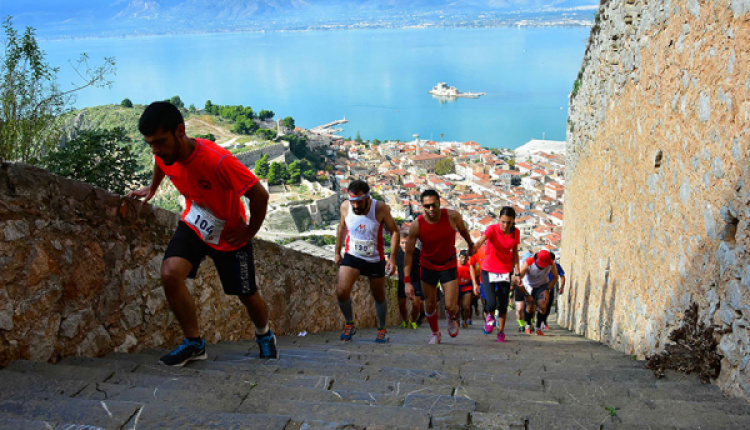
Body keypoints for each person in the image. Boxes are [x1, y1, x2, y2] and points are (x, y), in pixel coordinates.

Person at [127, 101, 277, 366]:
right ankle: (194, 343)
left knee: (247, 294)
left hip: (230, 234)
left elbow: (259, 195)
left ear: (180, 131)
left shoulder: (217, 161)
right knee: (169, 274)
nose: (156, 150)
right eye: (150, 143)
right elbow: (161, 163)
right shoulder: (164, 154)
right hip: (196, 225)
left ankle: (265, 335)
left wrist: (249, 231)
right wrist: (152, 188)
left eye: (160, 141)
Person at [404, 189, 474, 344]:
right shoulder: (417, 225)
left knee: (450, 305)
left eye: (434, 205)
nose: (431, 209)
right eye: (427, 206)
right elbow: (408, 253)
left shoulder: (452, 216)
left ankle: (451, 315)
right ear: (422, 206)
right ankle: (435, 333)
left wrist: (470, 245)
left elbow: (463, 231)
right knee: (429, 303)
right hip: (428, 266)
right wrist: (407, 281)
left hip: (448, 264)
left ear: (439, 203)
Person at [334, 179, 400, 343]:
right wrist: (337, 252)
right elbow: (342, 229)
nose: (356, 206)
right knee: (342, 292)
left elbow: (395, 232)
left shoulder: (380, 208)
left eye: (359, 202)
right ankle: (349, 323)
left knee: (379, 296)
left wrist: (392, 258)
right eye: (353, 202)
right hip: (353, 255)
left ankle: (382, 329)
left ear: (368, 197)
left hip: (374, 258)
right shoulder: (345, 207)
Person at [472, 206, 520, 343]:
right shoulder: (492, 229)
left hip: (505, 271)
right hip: (488, 270)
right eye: (503, 222)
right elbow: (481, 241)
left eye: (509, 222)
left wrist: (517, 272)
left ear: (513, 222)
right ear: (499, 219)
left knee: (503, 305)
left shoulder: (516, 233)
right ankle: (490, 317)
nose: (505, 225)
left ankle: (501, 331)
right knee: (491, 302)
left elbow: (515, 253)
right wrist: (473, 249)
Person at [517, 249, 559, 336]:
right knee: (530, 307)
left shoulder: (551, 264)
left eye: (544, 266)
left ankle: (538, 328)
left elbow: (555, 277)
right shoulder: (529, 262)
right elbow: (519, 277)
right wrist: (524, 292)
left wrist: (548, 289)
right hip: (529, 285)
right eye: (540, 266)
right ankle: (528, 325)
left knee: (543, 305)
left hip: (542, 285)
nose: (542, 268)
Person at [395, 232, 423, 329]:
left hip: (415, 280)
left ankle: (413, 321)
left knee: (416, 303)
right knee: (402, 303)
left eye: (407, 243)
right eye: (402, 243)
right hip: (402, 281)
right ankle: (405, 320)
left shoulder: (417, 252)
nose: (405, 245)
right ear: (399, 243)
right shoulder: (396, 252)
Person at [540, 252, 565, 330]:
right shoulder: (542, 266)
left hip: (551, 289)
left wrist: (561, 287)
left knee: (549, 306)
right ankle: (540, 322)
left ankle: (544, 321)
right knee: (542, 305)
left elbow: (562, 276)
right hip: (541, 288)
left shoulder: (557, 266)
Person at [515, 249, 535, 332]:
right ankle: (521, 324)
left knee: (531, 308)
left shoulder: (534, 268)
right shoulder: (518, 268)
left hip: (531, 288)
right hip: (520, 287)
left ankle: (530, 323)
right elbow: (514, 278)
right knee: (519, 309)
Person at [456, 250, 473, 328]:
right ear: (459, 257)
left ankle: (465, 320)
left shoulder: (470, 266)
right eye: (462, 257)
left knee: (466, 306)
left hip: (467, 287)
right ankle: (457, 320)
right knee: (457, 306)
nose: (463, 259)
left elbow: (474, 276)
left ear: (467, 259)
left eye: (465, 258)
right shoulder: (455, 265)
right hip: (457, 287)